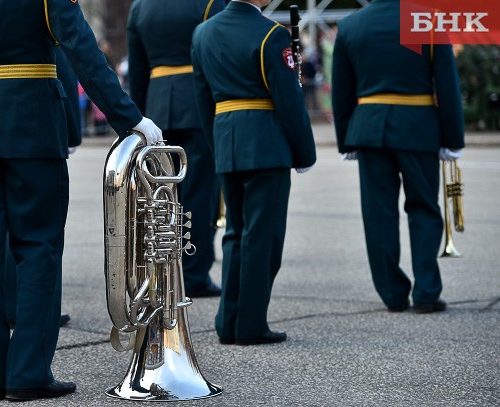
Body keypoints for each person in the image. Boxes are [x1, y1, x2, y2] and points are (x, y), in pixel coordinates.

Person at [0, 0, 162, 402]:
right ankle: (27, 372)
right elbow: (78, 44)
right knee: (38, 247)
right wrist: (128, 117)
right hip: (30, 121)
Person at [191, 0, 316, 345]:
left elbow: (203, 100)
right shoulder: (272, 35)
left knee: (235, 234)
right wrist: (304, 152)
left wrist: (218, 148)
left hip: (226, 139)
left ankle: (227, 320)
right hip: (266, 144)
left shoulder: (203, 33)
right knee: (263, 237)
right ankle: (250, 324)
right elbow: (289, 100)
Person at [331, 0, 465, 314]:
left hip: (369, 128)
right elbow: (447, 84)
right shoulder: (427, 21)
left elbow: (341, 90)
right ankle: (427, 292)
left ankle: (392, 293)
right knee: (424, 209)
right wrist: (453, 138)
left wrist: (345, 140)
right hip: (417, 127)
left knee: (378, 215)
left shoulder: (351, 25)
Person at [127, 0, 226, 298]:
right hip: (197, 103)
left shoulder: (140, 7)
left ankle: (160, 270)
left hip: (157, 107)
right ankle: (194, 272)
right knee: (199, 193)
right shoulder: (210, 2)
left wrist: (139, 117)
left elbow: (137, 69)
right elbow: (217, 54)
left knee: (160, 197)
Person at [3, 47, 81, 330]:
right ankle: (35, 309)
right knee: (37, 230)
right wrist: (72, 128)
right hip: (35, 120)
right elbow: (63, 63)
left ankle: (6, 303)